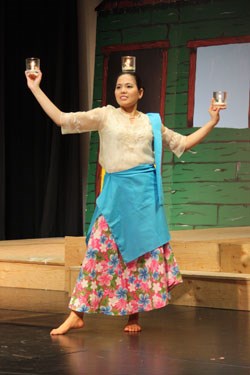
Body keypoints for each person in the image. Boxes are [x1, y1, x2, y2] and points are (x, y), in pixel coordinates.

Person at [25, 68, 225, 335]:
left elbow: (183, 143)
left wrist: (212, 121)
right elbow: (62, 118)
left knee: (139, 258)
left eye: (129, 86)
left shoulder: (151, 122)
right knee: (97, 251)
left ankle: (133, 316)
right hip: (116, 195)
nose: (122, 90)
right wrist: (35, 88)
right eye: (119, 86)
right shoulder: (105, 115)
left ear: (140, 92)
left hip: (143, 198)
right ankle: (77, 313)